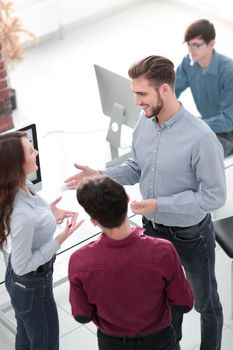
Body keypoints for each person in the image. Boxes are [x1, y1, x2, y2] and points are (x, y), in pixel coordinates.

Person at [65, 55, 226, 350]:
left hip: (190, 236)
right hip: (152, 228)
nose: (137, 102)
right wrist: (101, 174)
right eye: (135, 94)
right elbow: (135, 168)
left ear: (165, 89)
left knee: (206, 303)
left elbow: (213, 197)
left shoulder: (201, 138)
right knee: (167, 301)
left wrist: (159, 204)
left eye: (142, 94)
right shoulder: (145, 121)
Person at [68, 175, 194, 350]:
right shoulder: (163, 251)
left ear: (94, 221)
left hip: (112, 344)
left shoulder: (79, 261)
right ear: (127, 201)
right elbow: (184, 303)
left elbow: (82, 315)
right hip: (159, 341)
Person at [0, 131, 84, 350]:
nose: (36, 152)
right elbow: (21, 266)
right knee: (45, 343)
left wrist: (50, 213)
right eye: (30, 150)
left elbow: (32, 223)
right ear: (16, 163)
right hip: (31, 286)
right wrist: (60, 238)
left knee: (26, 338)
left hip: (25, 285)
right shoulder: (22, 215)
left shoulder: (23, 184)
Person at [175, 18, 233, 157]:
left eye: (196, 45)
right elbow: (172, 91)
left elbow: (228, 121)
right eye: (188, 44)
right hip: (208, 126)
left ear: (211, 43)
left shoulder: (229, 71)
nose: (190, 49)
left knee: (188, 154)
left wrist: (193, 125)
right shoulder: (188, 62)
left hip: (229, 134)